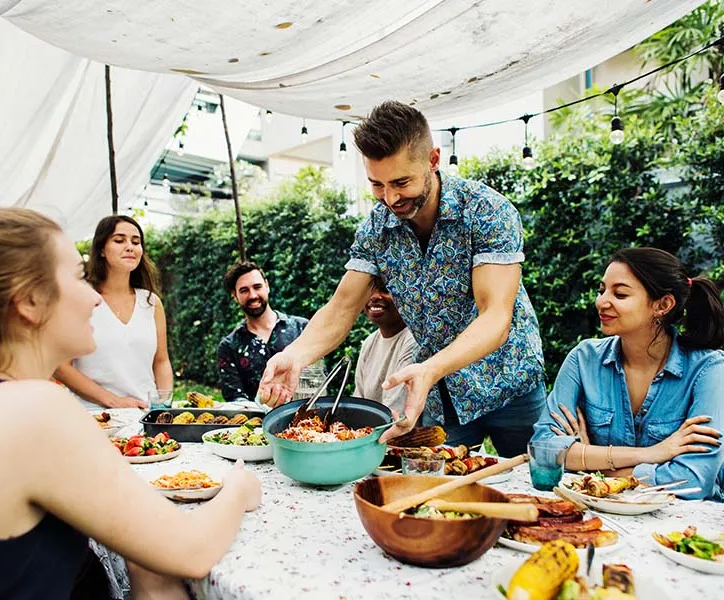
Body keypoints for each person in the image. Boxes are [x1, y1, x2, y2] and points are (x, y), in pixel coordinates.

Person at [0, 208, 261, 598]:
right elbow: (191, 550)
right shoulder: (30, 410)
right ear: (30, 302)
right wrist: (238, 486)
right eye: (78, 277)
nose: (94, 299)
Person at [258, 101, 545, 455]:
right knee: (439, 496)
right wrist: (296, 355)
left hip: (509, 383)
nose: (390, 198)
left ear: (433, 160)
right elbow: (341, 308)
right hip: (439, 392)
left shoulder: (487, 212)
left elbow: (496, 317)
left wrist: (430, 368)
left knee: (535, 491)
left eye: (401, 182)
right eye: (377, 184)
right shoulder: (376, 228)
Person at [531, 247, 724, 500]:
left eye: (620, 294)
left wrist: (593, 462)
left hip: (683, 525)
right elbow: (544, 449)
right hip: (598, 512)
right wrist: (651, 454)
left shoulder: (709, 370)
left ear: (663, 305)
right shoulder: (583, 359)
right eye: (602, 290)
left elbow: (695, 480)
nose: (601, 301)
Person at [54, 215, 172, 410]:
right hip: (94, 416)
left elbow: (161, 361)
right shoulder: (80, 297)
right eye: (119, 240)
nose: (130, 247)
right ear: (101, 250)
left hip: (144, 415)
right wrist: (112, 400)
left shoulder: (151, 302)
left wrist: (163, 405)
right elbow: (61, 367)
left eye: (136, 242)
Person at [217, 261, 308, 403]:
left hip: (306, 420)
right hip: (256, 423)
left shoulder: (302, 328)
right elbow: (235, 399)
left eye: (257, 287)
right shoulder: (229, 346)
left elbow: (318, 378)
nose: (252, 295)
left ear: (267, 286)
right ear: (235, 296)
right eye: (244, 290)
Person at [354, 276, 416, 415]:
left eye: (385, 290)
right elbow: (358, 401)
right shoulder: (369, 342)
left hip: (398, 433)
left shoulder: (413, 340)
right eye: (369, 290)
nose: (374, 297)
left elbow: (395, 411)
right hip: (369, 431)